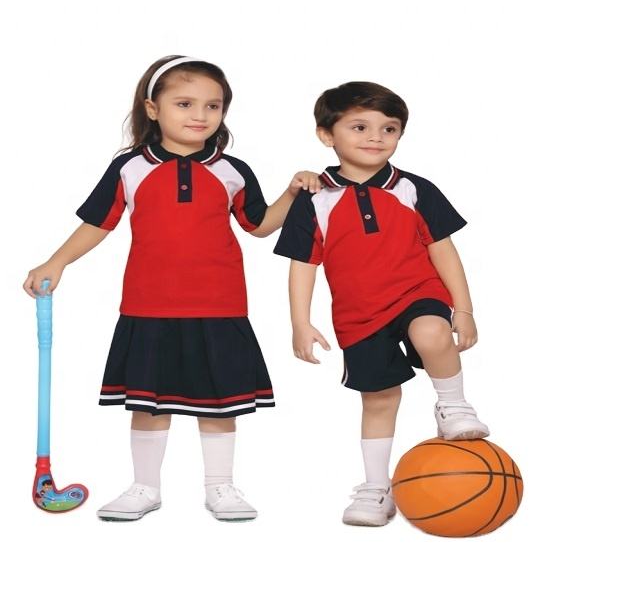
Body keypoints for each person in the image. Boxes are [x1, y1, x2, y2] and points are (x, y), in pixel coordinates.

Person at [23, 55, 321, 522]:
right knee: (147, 401)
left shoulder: (233, 170)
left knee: (220, 402)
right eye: (184, 103)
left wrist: (293, 191)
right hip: (149, 304)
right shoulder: (129, 168)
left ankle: (220, 486)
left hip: (219, 305)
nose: (200, 115)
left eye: (213, 106)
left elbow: (260, 225)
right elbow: (99, 223)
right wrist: (56, 261)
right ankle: (144, 487)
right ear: (153, 108)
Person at [274, 81, 490, 527]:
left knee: (431, 332)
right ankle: (376, 488)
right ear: (326, 135)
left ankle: (453, 405)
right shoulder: (314, 199)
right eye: (360, 127)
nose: (376, 137)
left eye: (389, 128)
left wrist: (464, 309)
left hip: (417, 292)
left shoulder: (414, 188)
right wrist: (300, 322)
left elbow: (444, 251)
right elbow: (303, 265)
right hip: (358, 315)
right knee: (378, 400)